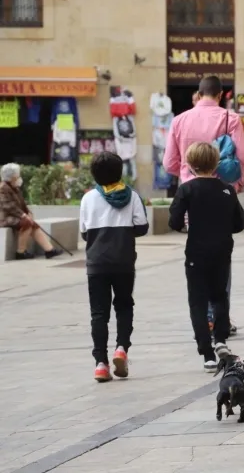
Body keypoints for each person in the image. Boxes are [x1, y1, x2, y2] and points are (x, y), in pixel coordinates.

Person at [164, 76, 244, 335]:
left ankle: (206, 316)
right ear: (220, 95)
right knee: (222, 257)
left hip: (192, 196)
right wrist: (239, 182)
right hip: (222, 193)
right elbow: (242, 156)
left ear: (199, 94)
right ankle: (219, 316)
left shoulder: (179, 120)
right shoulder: (230, 119)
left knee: (198, 253)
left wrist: (186, 172)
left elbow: (169, 162)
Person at [169, 142, 244, 373]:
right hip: (222, 251)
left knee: (198, 301)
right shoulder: (227, 190)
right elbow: (239, 224)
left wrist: (188, 227)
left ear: (190, 164)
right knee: (220, 296)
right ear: (216, 164)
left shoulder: (187, 189)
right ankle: (220, 339)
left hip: (196, 252)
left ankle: (207, 353)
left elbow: (174, 221)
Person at [79, 152, 149, 382]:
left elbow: (84, 232)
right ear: (120, 172)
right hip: (124, 262)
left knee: (99, 313)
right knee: (124, 305)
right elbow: (142, 227)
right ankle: (121, 349)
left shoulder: (88, 198)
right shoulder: (132, 196)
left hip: (97, 263)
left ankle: (101, 364)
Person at [0, 163, 62, 260]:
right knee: (27, 223)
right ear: (12, 177)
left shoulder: (14, 187)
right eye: (17, 175)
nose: (19, 177)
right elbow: (8, 206)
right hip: (5, 218)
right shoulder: (3, 188)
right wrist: (23, 215)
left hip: (14, 216)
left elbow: (21, 203)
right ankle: (20, 252)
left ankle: (49, 250)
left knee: (33, 224)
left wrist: (28, 212)